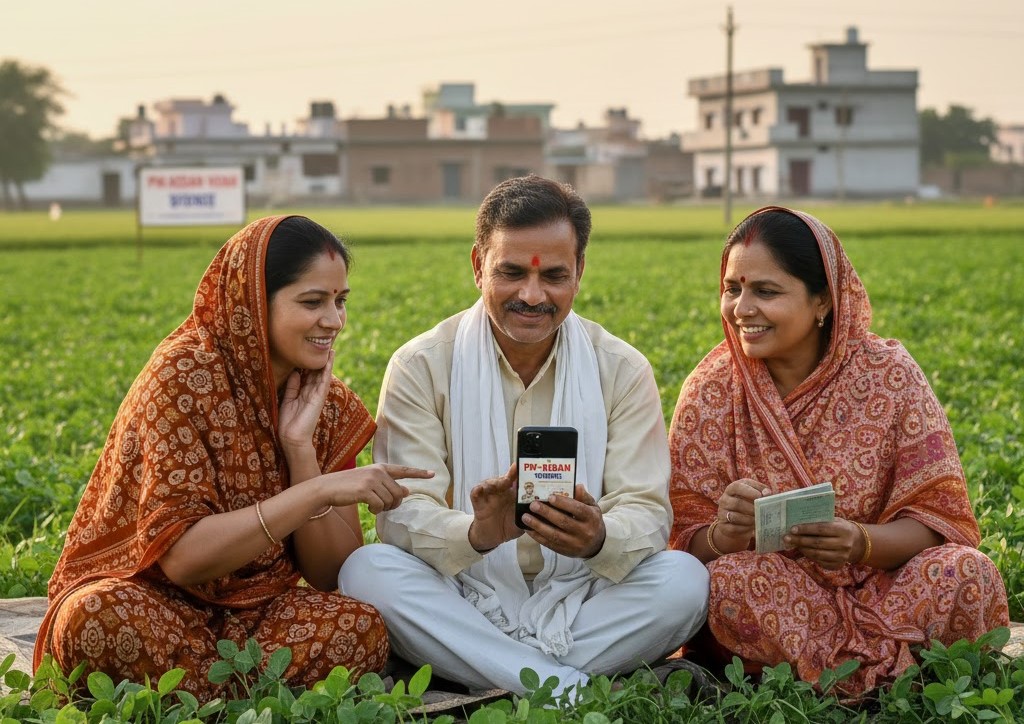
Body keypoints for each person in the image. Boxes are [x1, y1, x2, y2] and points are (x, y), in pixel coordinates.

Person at [35, 216, 433, 699]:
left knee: (359, 627)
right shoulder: (181, 377)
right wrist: (316, 491)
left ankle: (188, 693)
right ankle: (252, 693)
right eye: (312, 302)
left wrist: (300, 451)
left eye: (340, 301)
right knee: (93, 618)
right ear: (251, 304)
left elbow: (331, 574)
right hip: (155, 600)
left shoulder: (328, 406)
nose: (334, 320)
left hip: (258, 615)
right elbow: (182, 561)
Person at [340, 175, 709, 696]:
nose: (532, 295)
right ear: (477, 266)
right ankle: (568, 689)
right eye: (511, 273)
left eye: (554, 276)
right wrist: (476, 534)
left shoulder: (621, 368)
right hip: (461, 592)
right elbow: (402, 513)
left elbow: (647, 510)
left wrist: (598, 538)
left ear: (579, 271)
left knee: (684, 581)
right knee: (367, 569)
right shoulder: (422, 365)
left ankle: (493, 672)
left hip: (583, 599)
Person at [668, 206, 1009, 695]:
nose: (742, 308)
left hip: (886, 588)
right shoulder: (711, 390)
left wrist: (861, 542)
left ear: (824, 300)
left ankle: (839, 674)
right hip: (776, 599)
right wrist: (727, 533)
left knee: (966, 572)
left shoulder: (888, 374)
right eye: (732, 288)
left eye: (766, 291)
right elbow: (683, 550)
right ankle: (891, 671)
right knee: (728, 584)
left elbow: (940, 524)